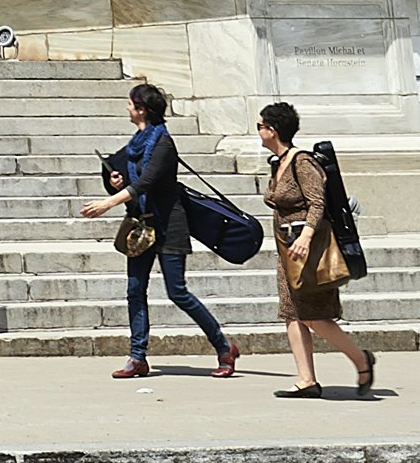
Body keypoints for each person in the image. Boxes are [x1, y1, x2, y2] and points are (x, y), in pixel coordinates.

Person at [87, 80, 238, 379]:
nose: (127, 108)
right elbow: (124, 173)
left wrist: (108, 202)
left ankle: (224, 347)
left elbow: (146, 182)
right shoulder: (135, 144)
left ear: (142, 110)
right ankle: (137, 357)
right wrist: (115, 181)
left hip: (170, 224)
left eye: (131, 104)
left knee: (177, 292)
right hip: (141, 225)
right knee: (135, 290)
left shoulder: (164, 143)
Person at [261, 101, 379, 399]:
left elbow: (318, 202)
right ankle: (306, 380)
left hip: (309, 250)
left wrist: (307, 236)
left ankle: (361, 360)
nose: (259, 132)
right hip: (288, 250)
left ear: (272, 131)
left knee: (314, 316)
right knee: (291, 314)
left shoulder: (302, 161)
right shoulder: (279, 162)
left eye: (261, 127)